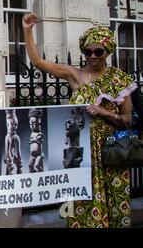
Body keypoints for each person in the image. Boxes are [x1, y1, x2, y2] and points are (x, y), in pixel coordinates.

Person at [22, 13, 137, 228]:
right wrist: (28, 31)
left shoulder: (120, 80)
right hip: (81, 152)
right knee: (82, 203)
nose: (92, 56)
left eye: (98, 51)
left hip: (111, 152)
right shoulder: (75, 75)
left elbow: (128, 120)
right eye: (87, 51)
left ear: (107, 52)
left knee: (114, 201)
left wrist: (104, 113)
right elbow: (38, 62)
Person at [4, 109, 22, 175]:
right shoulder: (7, 137)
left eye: (11, 124)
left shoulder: (17, 137)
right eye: (7, 124)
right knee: (10, 166)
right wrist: (9, 158)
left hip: (13, 156)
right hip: (8, 157)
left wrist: (19, 159)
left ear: (15, 125)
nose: (9, 126)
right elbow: (7, 150)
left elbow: (18, 151)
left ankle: (19, 174)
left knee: (19, 165)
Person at [27, 108, 45, 173]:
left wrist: (34, 140)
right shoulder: (32, 134)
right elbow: (29, 141)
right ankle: (32, 177)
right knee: (30, 165)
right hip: (32, 155)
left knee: (37, 166)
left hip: (39, 155)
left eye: (36, 123)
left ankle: (40, 175)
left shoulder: (40, 133)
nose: (34, 126)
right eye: (32, 124)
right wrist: (32, 140)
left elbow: (40, 139)